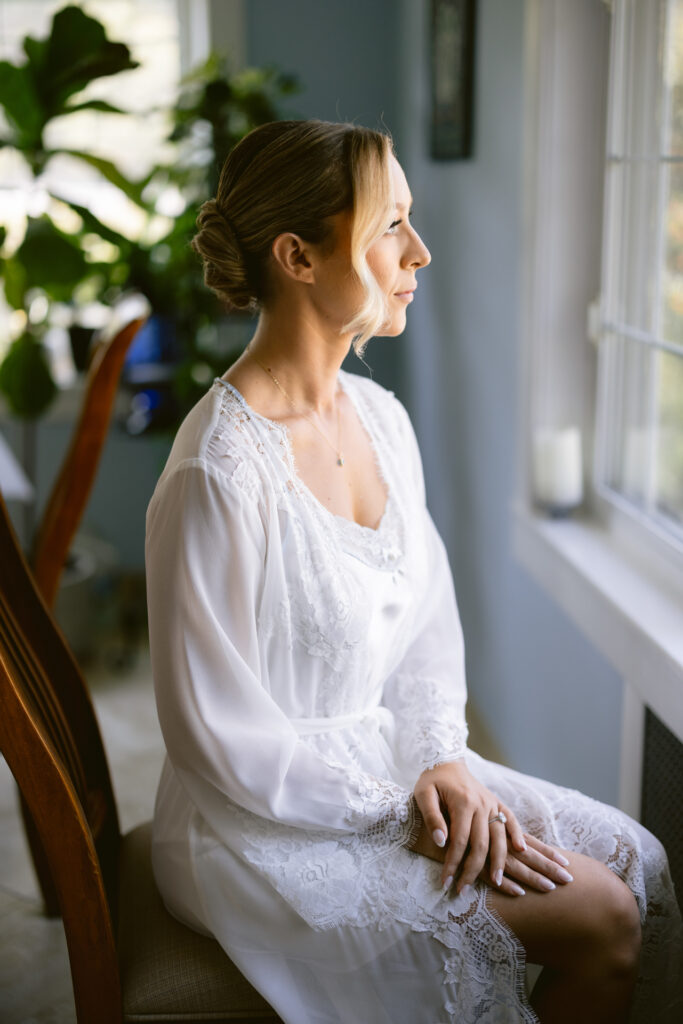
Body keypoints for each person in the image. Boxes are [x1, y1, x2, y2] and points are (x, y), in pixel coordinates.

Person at [145, 120, 682, 1024]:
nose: (419, 252)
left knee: (635, 861)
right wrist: (402, 811)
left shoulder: (381, 417)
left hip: (394, 762)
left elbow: (427, 624)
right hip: (259, 822)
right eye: (390, 226)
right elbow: (216, 737)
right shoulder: (218, 473)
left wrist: (442, 761)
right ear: (298, 257)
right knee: (595, 919)